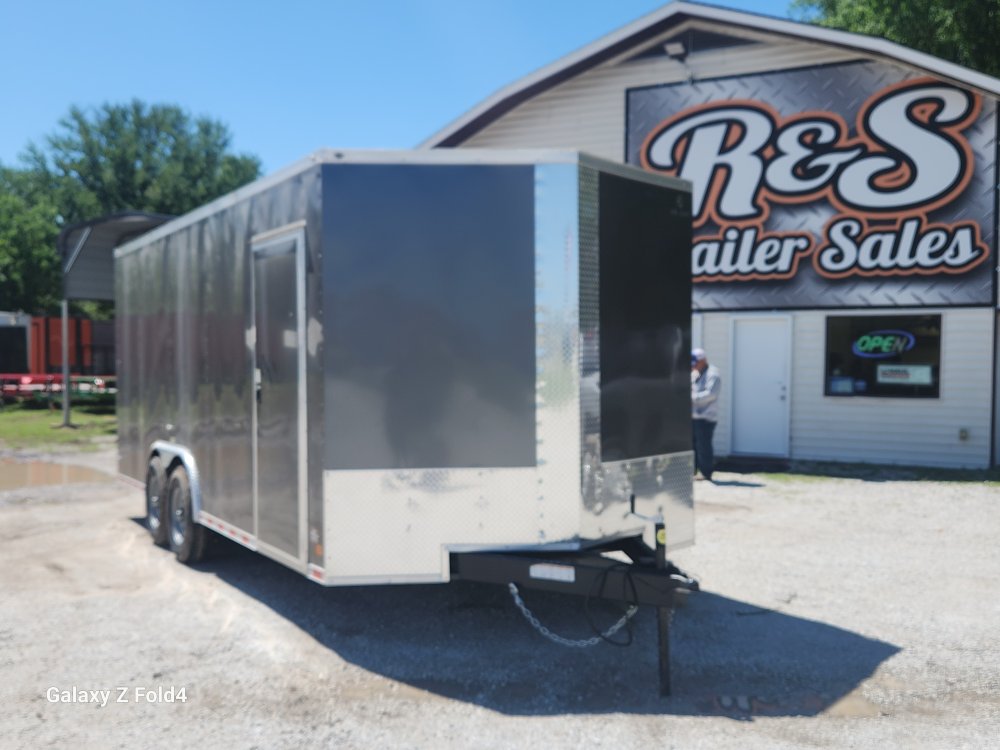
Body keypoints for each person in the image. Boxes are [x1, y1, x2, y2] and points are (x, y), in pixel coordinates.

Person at [691, 348, 721, 482]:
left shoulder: (713, 374)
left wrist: (692, 398)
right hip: (694, 416)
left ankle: (706, 473)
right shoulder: (696, 372)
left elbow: (711, 394)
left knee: (704, 446)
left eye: (695, 363)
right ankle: (692, 471)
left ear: (703, 360)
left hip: (706, 417)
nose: (693, 366)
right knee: (693, 446)